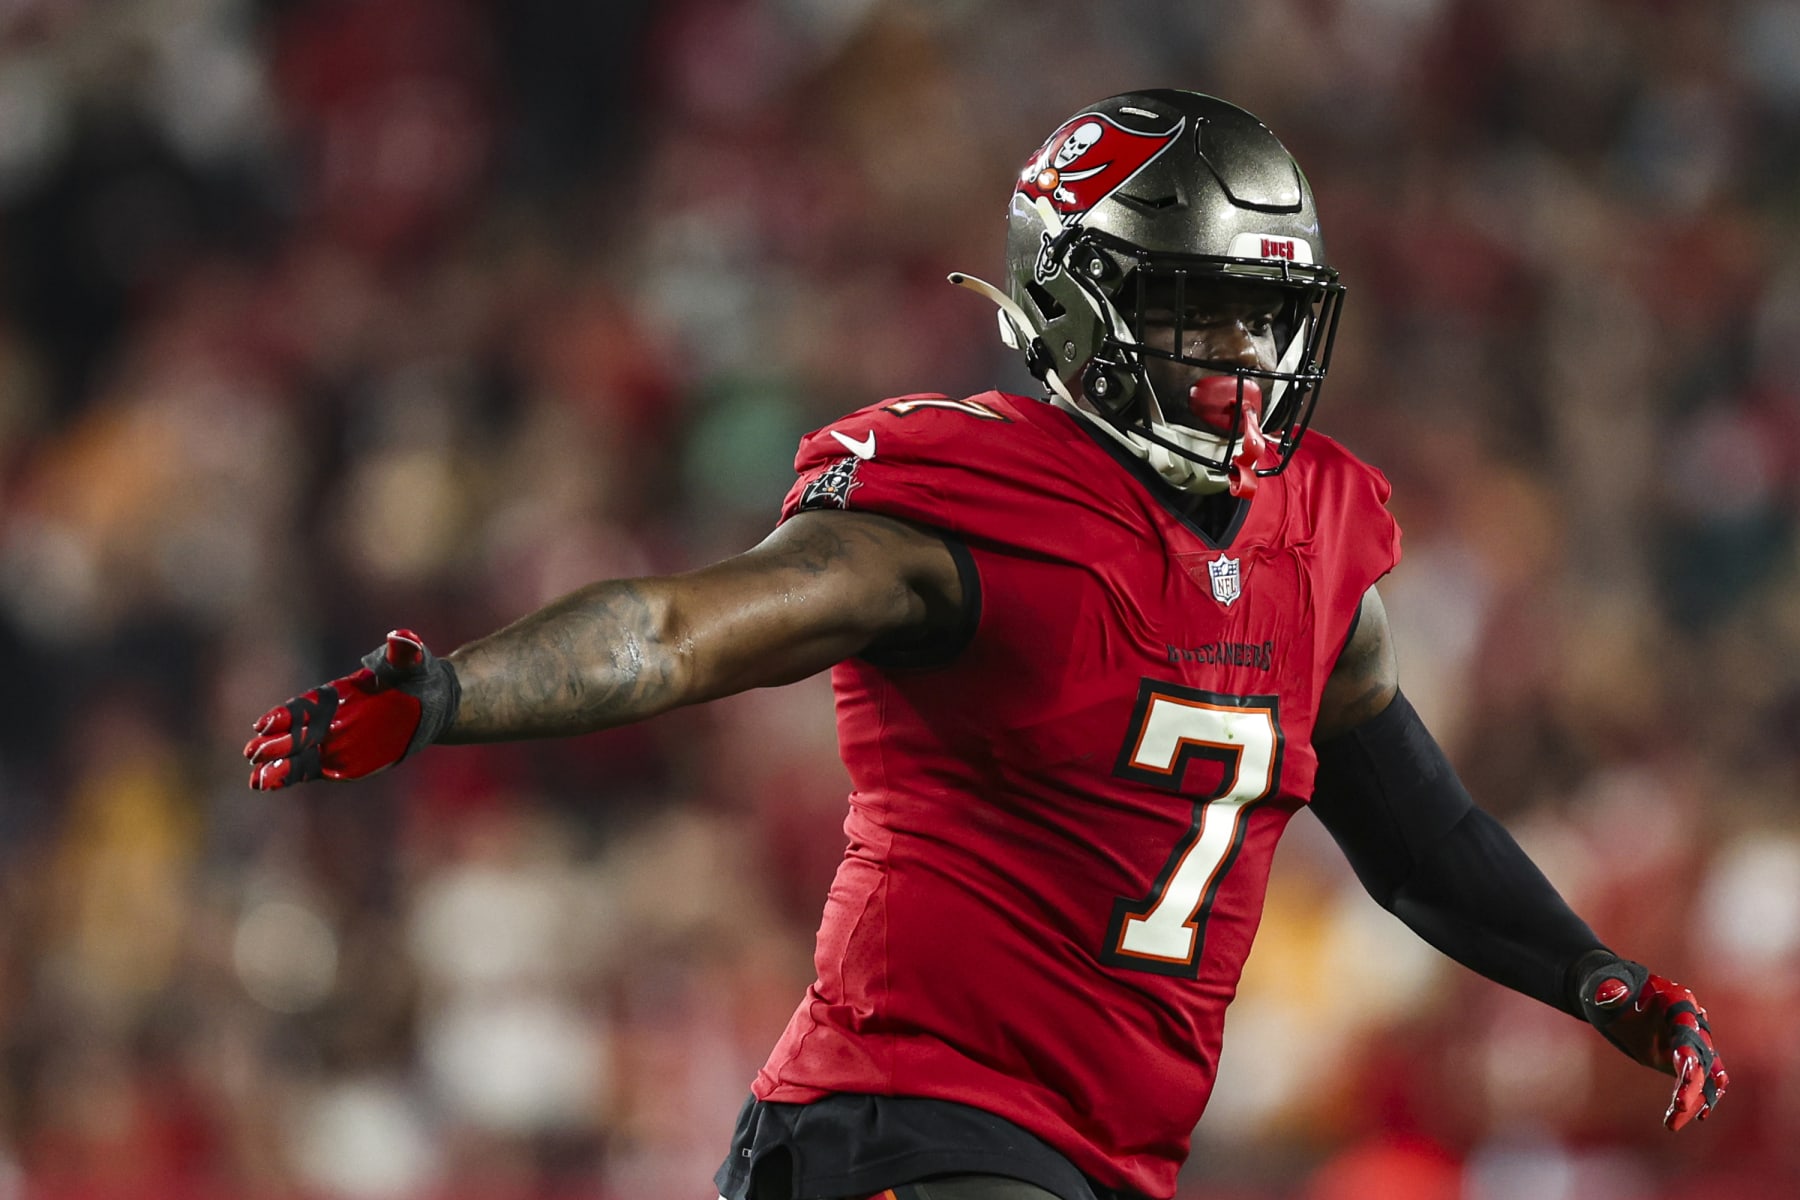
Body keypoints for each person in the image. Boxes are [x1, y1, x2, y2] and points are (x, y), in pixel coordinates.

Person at [243, 90, 1727, 1200]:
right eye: (1203, 313)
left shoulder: (1322, 534)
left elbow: (1414, 823)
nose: (1246, 362)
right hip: (898, 1122)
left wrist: (1594, 975)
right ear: (1086, 312)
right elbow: (682, 630)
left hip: (1086, 1163)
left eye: (1267, 317)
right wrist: (454, 691)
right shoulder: (970, 503)